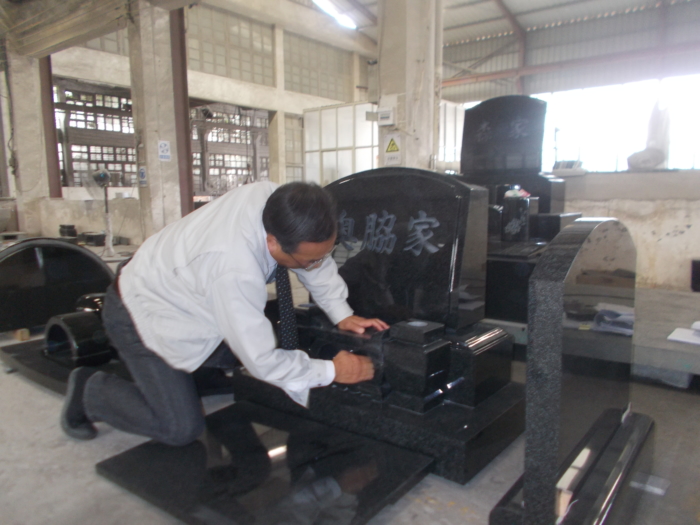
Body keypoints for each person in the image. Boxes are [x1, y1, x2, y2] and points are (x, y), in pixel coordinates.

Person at [60, 181, 388, 444]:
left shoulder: (278, 203)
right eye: (308, 261)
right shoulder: (235, 270)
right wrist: (332, 371)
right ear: (273, 243)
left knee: (253, 350)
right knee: (180, 427)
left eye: (323, 255)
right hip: (140, 310)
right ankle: (90, 391)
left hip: (188, 296)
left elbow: (315, 258)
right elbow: (262, 361)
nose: (316, 265)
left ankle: (188, 376)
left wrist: (340, 312)